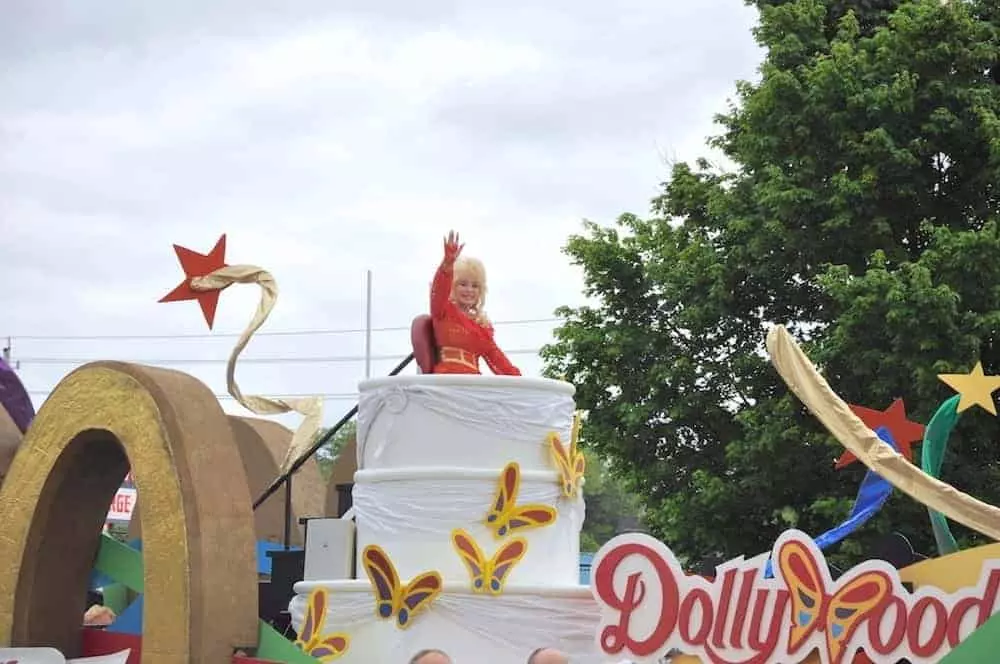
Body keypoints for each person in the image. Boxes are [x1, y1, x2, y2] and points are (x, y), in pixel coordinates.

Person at [429, 230, 521, 376]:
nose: (469, 290)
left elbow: (498, 359)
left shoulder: (482, 325)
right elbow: (438, 291)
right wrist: (447, 265)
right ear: (452, 286)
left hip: (473, 383)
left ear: (481, 291)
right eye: (463, 284)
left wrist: (521, 381)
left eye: (475, 286)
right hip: (447, 380)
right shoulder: (443, 310)